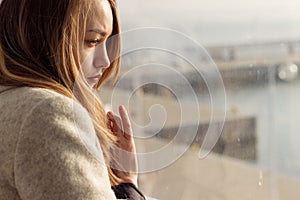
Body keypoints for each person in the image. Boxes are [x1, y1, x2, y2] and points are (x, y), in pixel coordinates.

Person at [0, 0, 145, 199]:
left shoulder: (10, 102)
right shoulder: (47, 112)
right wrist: (127, 184)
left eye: (107, 42)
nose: (105, 61)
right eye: (92, 41)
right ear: (43, 37)